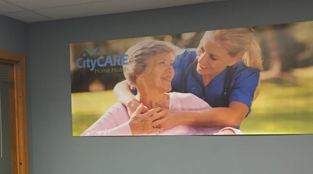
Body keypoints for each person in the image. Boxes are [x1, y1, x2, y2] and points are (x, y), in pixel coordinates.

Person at [113, 28, 263, 133]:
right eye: (202, 49)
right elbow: (123, 85)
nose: (201, 60)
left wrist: (177, 117)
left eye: (213, 57)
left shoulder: (245, 73)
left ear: (234, 59)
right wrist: (131, 103)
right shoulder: (180, 60)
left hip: (219, 140)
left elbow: (234, 116)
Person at [81, 40, 242, 136]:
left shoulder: (188, 102)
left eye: (170, 64)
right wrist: (131, 129)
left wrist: (228, 132)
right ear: (139, 73)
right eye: (161, 63)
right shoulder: (121, 111)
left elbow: (226, 133)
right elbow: (85, 140)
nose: (170, 70)